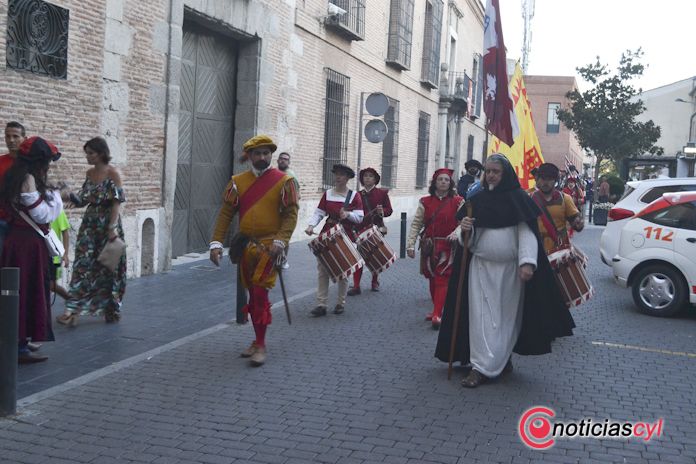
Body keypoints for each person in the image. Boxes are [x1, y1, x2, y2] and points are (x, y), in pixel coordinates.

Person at [435, 154, 575, 388]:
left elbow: (526, 233)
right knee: (481, 318)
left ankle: (500, 358)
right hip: (480, 268)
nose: (490, 175)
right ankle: (481, 367)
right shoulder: (476, 199)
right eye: (487, 171)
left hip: (510, 271)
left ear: (505, 174)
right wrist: (465, 230)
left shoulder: (519, 199)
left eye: (495, 171)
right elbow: (466, 239)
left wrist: (527, 262)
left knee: (505, 319)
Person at [210, 135, 298, 367]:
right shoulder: (238, 181)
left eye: (266, 153)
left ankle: (261, 344)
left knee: (260, 295)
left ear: (271, 155)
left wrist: (281, 240)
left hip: (270, 247)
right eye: (257, 153)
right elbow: (226, 213)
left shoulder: (284, 181)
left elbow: (290, 214)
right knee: (252, 294)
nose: (262, 157)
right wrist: (216, 242)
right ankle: (256, 339)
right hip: (246, 247)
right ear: (249, 156)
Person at [0, 137, 64, 363]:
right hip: (26, 246)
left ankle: (20, 342)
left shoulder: (16, 175)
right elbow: (42, 214)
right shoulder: (27, 179)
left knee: (22, 291)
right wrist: (59, 196)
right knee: (25, 292)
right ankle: (18, 347)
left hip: (19, 242)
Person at [60, 137, 126, 326]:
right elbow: (84, 198)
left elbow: (116, 202)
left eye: (91, 153)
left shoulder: (114, 173)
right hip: (89, 225)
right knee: (82, 265)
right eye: (86, 153)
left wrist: (112, 228)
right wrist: (68, 197)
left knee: (108, 268)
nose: (87, 157)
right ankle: (73, 310)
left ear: (101, 153)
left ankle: (111, 308)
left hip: (108, 225)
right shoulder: (89, 173)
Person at [406, 168, 464, 329]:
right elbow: (417, 223)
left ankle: (438, 314)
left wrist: (456, 232)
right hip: (429, 246)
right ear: (435, 183)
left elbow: (463, 223)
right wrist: (410, 245)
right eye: (440, 179)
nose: (443, 182)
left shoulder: (459, 201)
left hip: (448, 246)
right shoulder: (425, 201)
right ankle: (436, 309)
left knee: (442, 278)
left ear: (450, 183)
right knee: (431, 277)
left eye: (446, 180)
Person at [305, 164, 363, 316]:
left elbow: (360, 217)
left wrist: (348, 215)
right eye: (336, 174)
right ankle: (321, 304)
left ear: (347, 178)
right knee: (322, 269)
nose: (338, 177)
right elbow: (319, 213)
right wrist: (311, 225)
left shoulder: (354, 196)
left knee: (344, 269)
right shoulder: (328, 194)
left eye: (342, 174)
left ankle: (340, 302)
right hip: (328, 232)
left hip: (346, 234)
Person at [347, 167, 392, 295]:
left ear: (375, 179)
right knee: (358, 257)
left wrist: (382, 211)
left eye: (370, 176)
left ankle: (375, 281)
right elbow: (351, 211)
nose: (367, 178)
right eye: (365, 176)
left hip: (376, 228)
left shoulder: (382, 194)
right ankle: (356, 285)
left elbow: (389, 210)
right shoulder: (357, 195)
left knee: (374, 256)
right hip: (360, 229)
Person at [532, 164, 584, 252]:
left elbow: (575, 220)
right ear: (538, 180)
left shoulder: (565, 199)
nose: (545, 182)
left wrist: (578, 223)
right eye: (543, 179)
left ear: (555, 181)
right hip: (536, 249)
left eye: (549, 179)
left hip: (559, 250)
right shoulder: (530, 199)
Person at [0, 121, 26, 257]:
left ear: (24, 139)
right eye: (7, 136)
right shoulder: (0, 162)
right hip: (2, 222)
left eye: (15, 136)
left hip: (24, 225)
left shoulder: (31, 164)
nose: (11, 140)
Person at [276, 151, 299, 270]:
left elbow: (297, 195)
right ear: (277, 160)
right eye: (281, 158)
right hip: (274, 211)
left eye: (285, 159)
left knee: (285, 237)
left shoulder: (291, 176)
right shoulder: (273, 174)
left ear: (289, 162)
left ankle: (284, 260)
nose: (283, 160)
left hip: (286, 212)